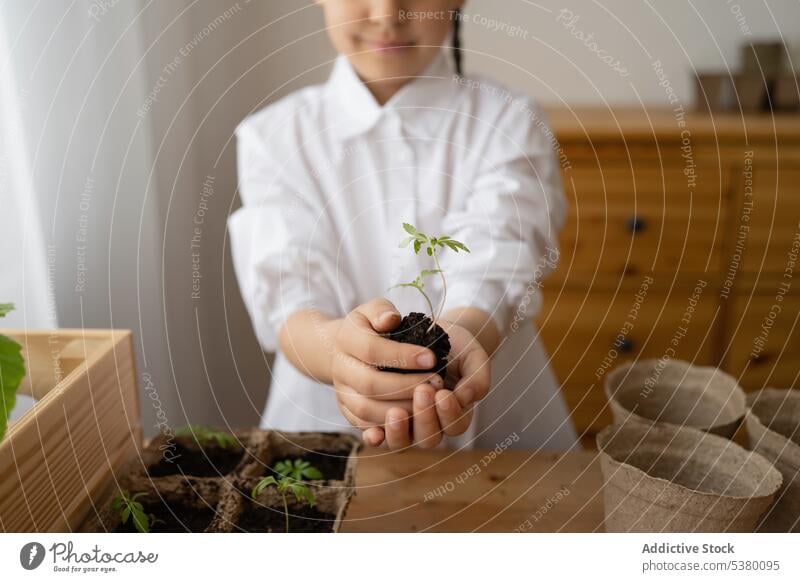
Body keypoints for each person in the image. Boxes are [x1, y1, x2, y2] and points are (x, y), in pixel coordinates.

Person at [229, 0, 578, 451]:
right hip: (319, 425)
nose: (387, 13)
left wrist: (457, 338)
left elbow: (496, 261)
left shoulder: (509, 121)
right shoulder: (275, 136)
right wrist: (342, 356)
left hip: (498, 430)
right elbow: (290, 301)